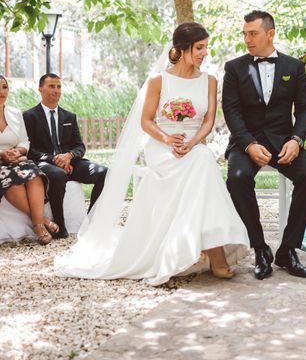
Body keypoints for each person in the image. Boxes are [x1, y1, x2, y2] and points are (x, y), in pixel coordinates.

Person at [55, 23, 249, 284]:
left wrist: (191, 143)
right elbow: (146, 121)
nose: (205, 53)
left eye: (206, 47)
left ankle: (209, 248)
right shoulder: (159, 80)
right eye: (200, 48)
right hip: (161, 147)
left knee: (202, 159)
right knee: (202, 164)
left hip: (193, 145)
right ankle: (214, 253)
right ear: (181, 49)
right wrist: (169, 139)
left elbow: (208, 122)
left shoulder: (210, 81)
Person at [222, 10, 306, 280]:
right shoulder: (234, 68)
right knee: (238, 178)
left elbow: (304, 109)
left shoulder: (293, 67)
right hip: (246, 142)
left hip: (283, 141)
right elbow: (231, 112)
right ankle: (260, 248)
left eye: (252, 33)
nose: (247, 39)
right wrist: (249, 144)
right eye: (244, 34)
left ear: (270, 33)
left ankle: (287, 250)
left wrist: (296, 140)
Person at [22, 74, 108, 237]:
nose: (56, 90)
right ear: (40, 89)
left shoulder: (69, 116)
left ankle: (90, 221)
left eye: (59, 86)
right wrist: (54, 159)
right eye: (51, 86)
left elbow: (79, 146)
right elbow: (29, 149)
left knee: (104, 173)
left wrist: (68, 156)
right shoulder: (29, 116)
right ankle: (60, 227)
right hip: (45, 163)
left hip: (70, 162)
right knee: (58, 175)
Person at [0, 75, 58, 244]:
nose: (1, 91)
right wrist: (2, 155)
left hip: (17, 159)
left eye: (4, 87)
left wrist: (18, 151)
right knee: (13, 183)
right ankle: (42, 224)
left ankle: (39, 223)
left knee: (34, 176)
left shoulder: (15, 113)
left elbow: (25, 140)